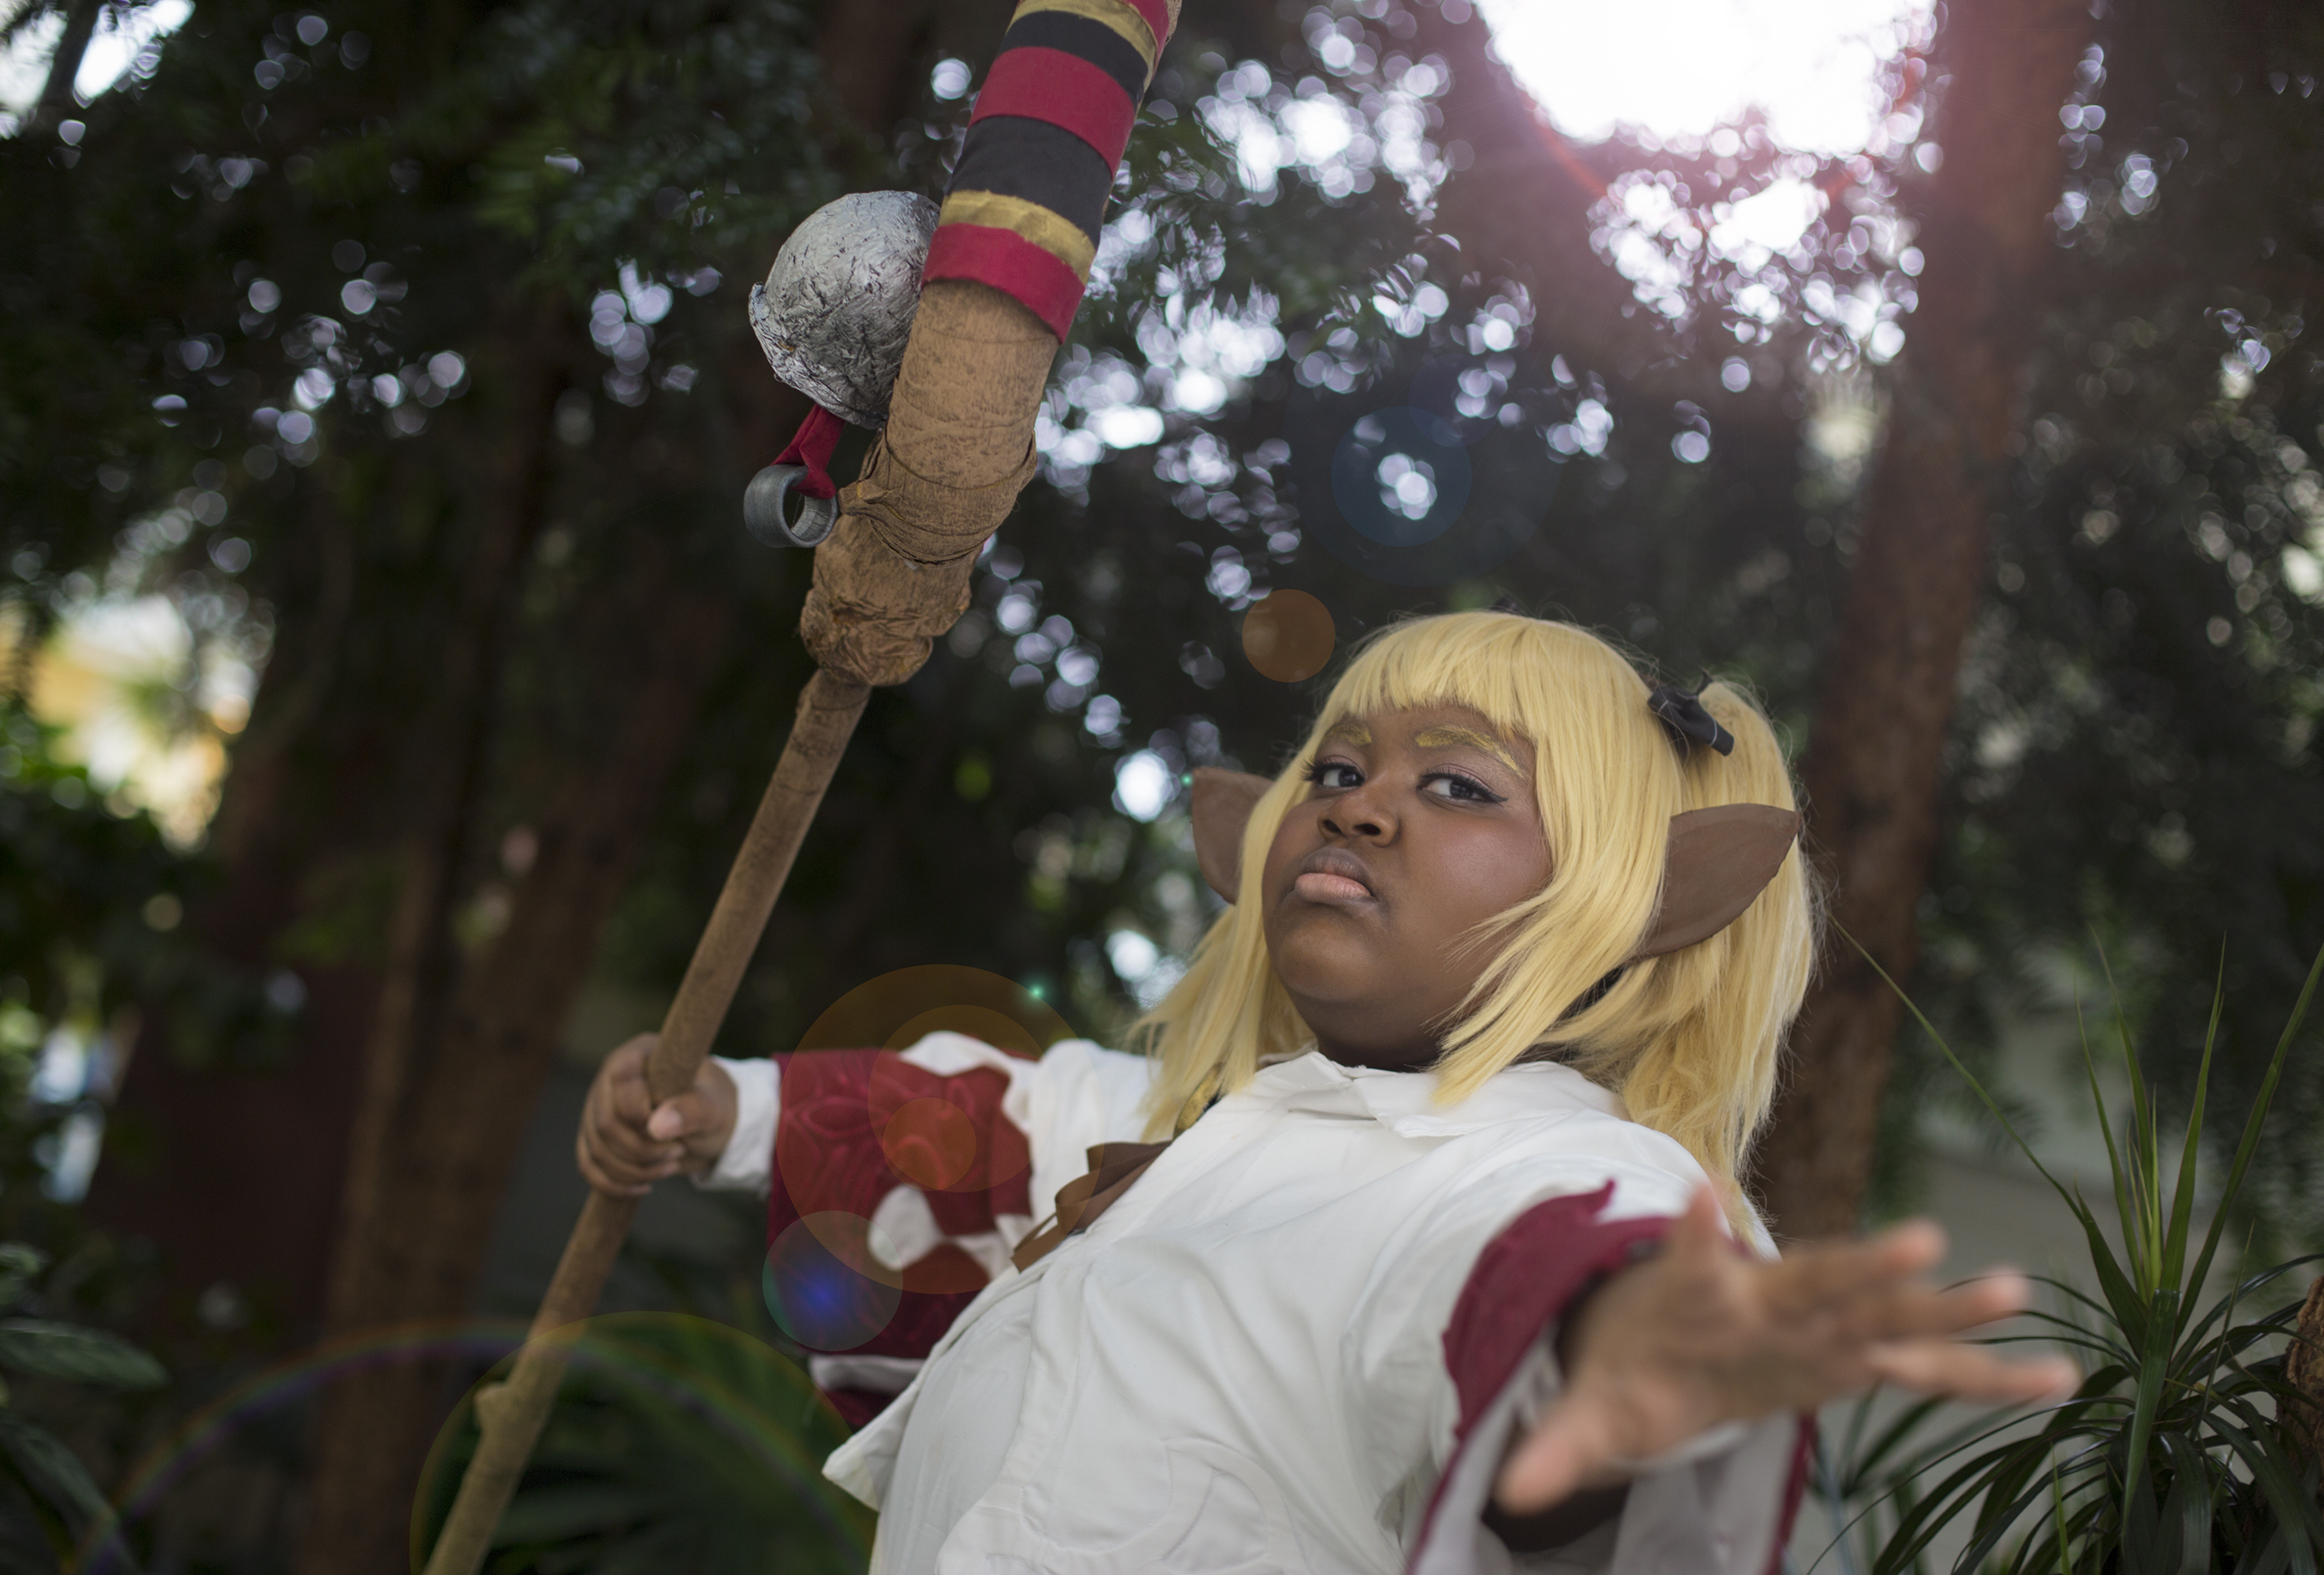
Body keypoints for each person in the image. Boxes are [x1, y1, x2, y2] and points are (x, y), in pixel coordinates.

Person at [576, 611, 2076, 1573]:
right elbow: (988, 1129)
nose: (1359, 804)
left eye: (1460, 784)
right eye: (1339, 768)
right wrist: (725, 1109)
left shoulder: (1558, 1180)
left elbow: (1571, 1294)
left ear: (1630, 903)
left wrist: (1613, 1361)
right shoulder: (1205, 1127)